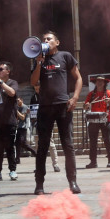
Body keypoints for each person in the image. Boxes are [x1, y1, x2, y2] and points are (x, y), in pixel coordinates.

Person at [30, 30, 83, 195]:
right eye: (44, 39)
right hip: (45, 107)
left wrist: (74, 98)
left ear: (57, 42)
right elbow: (33, 82)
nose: (46, 40)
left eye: (49, 38)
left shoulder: (65, 56)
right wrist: (39, 63)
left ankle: (72, 182)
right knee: (42, 147)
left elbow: (78, 78)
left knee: (68, 145)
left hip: (63, 106)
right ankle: (39, 184)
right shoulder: (40, 59)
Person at [0, 62, 20, 181]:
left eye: (1, 69)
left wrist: (0, 82)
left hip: (9, 121)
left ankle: (12, 170)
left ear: (8, 71)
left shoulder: (12, 83)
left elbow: (12, 93)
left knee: (9, 147)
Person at [83, 76, 110, 169]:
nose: (99, 83)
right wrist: (86, 105)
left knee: (108, 141)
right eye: (98, 81)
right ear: (95, 82)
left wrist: (109, 102)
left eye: (101, 81)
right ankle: (93, 162)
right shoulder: (91, 94)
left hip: (106, 120)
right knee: (93, 142)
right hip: (93, 120)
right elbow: (85, 106)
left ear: (104, 83)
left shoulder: (109, 93)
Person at [14, 97, 36, 163]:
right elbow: (18, 118)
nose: (17, 102)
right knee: (17, 143)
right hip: (19, 127)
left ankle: (34, 152)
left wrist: (16, 111)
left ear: (22, 100)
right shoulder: (18, 107)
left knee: (23, 143)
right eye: (16, 101)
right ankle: (17, 159)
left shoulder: (24, 107)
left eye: (18, 100)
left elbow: (23, 117)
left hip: (23, 127)